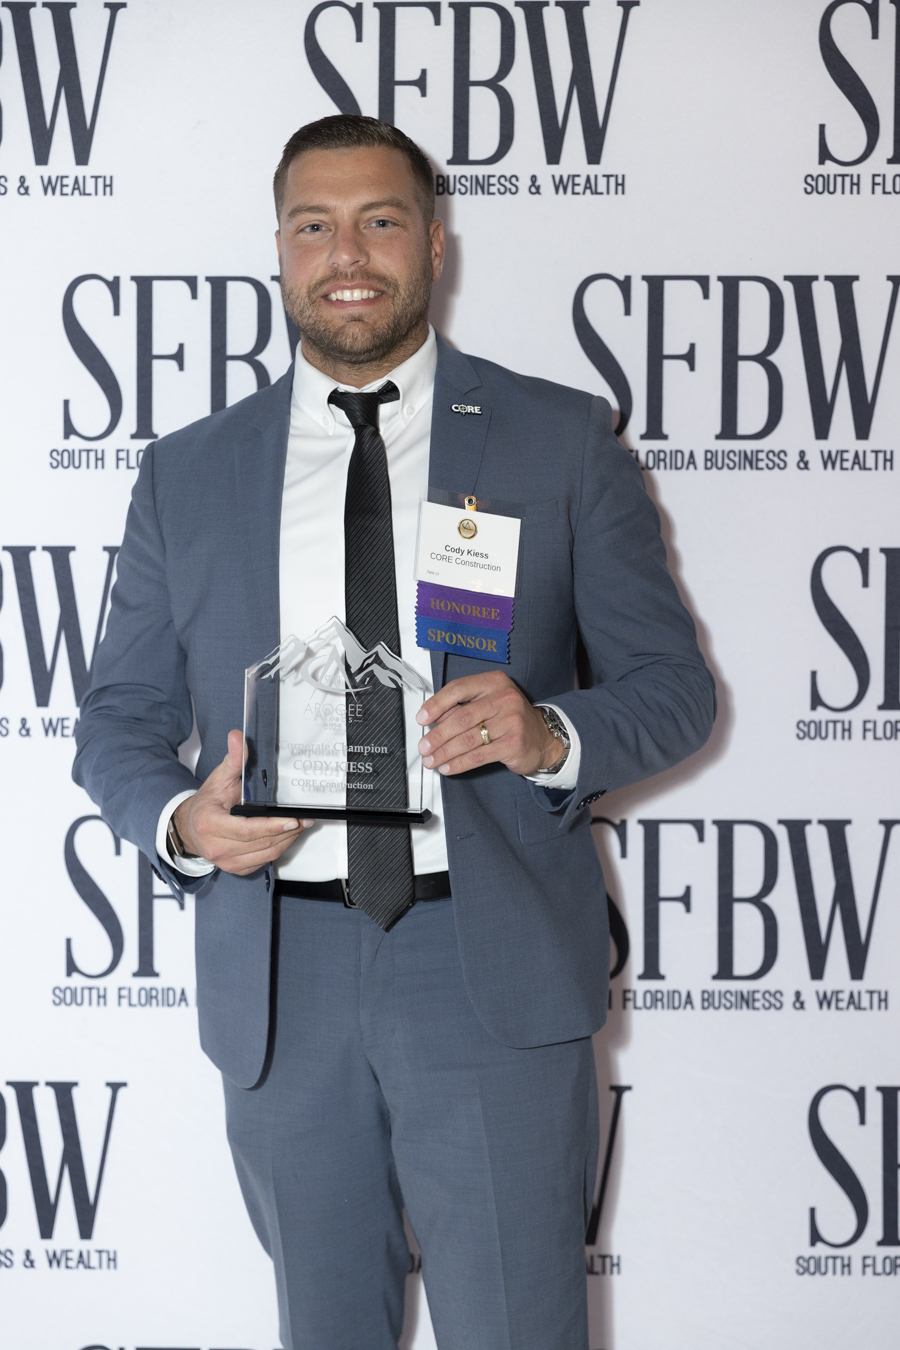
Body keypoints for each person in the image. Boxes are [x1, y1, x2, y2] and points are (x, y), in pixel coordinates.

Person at [74, 115, 715, 1350]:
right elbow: (119, 719)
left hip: (486, 960)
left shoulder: (557, 440)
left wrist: (549, 734)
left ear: (433, 243)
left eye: (379, 221)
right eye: (313, 226)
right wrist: (182, 822)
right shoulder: (187, 472)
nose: (347, 254)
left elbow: (671, 687)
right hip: (281, 974)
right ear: (279, 250)